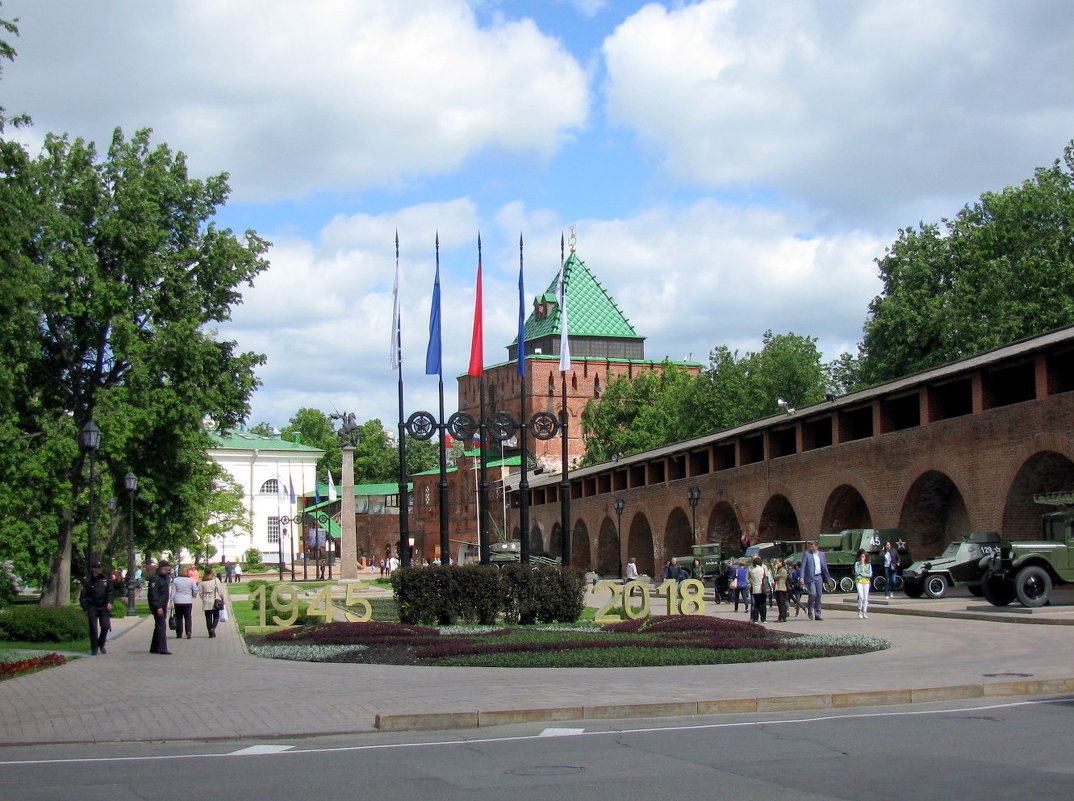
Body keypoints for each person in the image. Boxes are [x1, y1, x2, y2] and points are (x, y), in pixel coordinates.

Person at [79, 561, 113, 655]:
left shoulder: (105, 579)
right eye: (98, 568)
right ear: (93, 569)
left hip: (103, 606)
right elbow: (83, 596)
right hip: (92, 606)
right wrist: (85, 608)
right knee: (93, 628)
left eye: (101, 568)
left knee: (106, 626)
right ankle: (94, 647)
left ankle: (101, 644)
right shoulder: (87, 580)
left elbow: (110, 592)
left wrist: (110, 602)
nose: (100, 569)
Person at [148, 560, 173, 655]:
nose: (167, 571)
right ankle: (163, 648)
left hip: (163, 604)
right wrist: (157, 607)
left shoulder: (165, 577)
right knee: (162, 626)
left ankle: (154, 647)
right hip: (157, 605)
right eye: (166, 569)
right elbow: (153, 594)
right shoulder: (155, 578)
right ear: (161, 568)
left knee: (158, 625)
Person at [800, 541, 830, 620]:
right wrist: (802, 577)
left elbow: (824, 566)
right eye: (810, 547)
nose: (811, 548)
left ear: (817, 547)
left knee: (819, 595)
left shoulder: (822, 554)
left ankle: (817, 613)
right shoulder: (807, 554)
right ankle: (810, 609)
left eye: (812, 547)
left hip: (819, 576)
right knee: (813, 594)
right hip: (810, 577)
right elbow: (802, 567)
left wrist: (827, 577)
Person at [171, 566, 198, 639]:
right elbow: (195, 590)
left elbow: (173, 591)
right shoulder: (191, 580)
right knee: (188, 617)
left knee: (179, 618)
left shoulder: (176, 580)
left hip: (178, 601)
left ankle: (179, 633)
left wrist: (171, 599)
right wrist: (193, 595)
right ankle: (188, 632)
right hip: (187, 600)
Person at [198, 567, 225, 637]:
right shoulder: (216, 580)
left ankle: (210, 633)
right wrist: (223, 599)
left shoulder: (202, 582)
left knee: (208, 618)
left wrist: (203, 598)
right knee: (216, 616)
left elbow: (200, 593)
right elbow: (220, 591)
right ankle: (212, 628)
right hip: (215, 601)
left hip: (206, 601)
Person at [747, 556, 767, 623]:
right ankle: (763, 619)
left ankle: (755, 619)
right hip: (762, 588)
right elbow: (766, 577)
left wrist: (750, 583)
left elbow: (748, 578)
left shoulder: (752, 570)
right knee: (763, 604)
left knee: (756, 605)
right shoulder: (762, 569)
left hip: (755, 589)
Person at [854, 549, 873, 619]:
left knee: (866, 597)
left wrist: (863, 574)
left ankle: (864, 612)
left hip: (866, 582)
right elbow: (856, 572)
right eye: (861, 556)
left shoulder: (868, 565)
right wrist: (861, 564)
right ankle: (859, 611)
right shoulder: (857, 564)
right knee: (861, 596)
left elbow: (870, 574)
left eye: (864, 557)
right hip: (859, 581)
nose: (862, 558)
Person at [772, 558, 789, 622]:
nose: (776, 564)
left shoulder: (782, 570)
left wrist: (775, 569)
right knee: (780, 603)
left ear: (781, 563)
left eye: (777, 563)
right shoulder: (781, 569)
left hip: (781, 588)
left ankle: (782, 617)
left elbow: (775, 577)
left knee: (781, 603)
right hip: (779, 587)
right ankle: (782, 616)